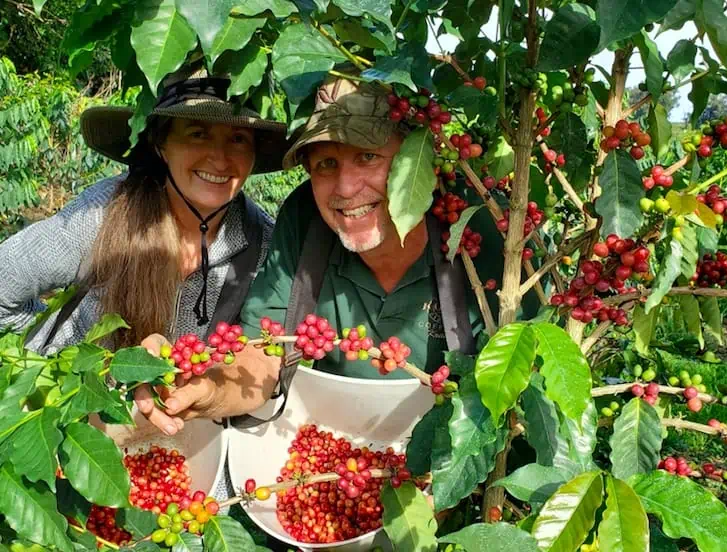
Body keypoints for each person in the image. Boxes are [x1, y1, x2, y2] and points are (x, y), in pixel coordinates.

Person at [135, 74, 538, 434]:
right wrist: (210, 389)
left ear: (419, 160)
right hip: (341, 448)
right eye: (327, 163)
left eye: (368, 156)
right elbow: (263, 351)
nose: (345, 188)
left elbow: (523, 390)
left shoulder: (485, 230)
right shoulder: (306, 221)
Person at [0, 63, 288, 383]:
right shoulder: (104, 213)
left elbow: (258, 358)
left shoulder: (263, 244)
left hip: (177, 428)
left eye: (237, 139)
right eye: (197, 134)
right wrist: (48, 363)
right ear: (161, 144)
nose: (219, 159)